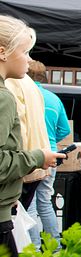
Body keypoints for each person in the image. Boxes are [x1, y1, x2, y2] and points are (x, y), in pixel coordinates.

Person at [0, 15, 64, 257]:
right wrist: (39, 157)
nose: (29, 59)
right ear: (3, 52)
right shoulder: (4, 97)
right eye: (25, 51)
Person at [26, 60, 71, 250]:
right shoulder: (53, 99)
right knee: (45, 201)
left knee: (30, 205)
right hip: (51, 154)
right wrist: (50, 138)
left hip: (29, 155)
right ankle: (55, 248)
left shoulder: (24, 96)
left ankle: (34, 248)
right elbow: (65, 129)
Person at [6, 73, 51, 211]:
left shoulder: (9, 82)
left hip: (21, 164)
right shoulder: (29, 83)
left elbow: (18, 130)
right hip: (34, 162)